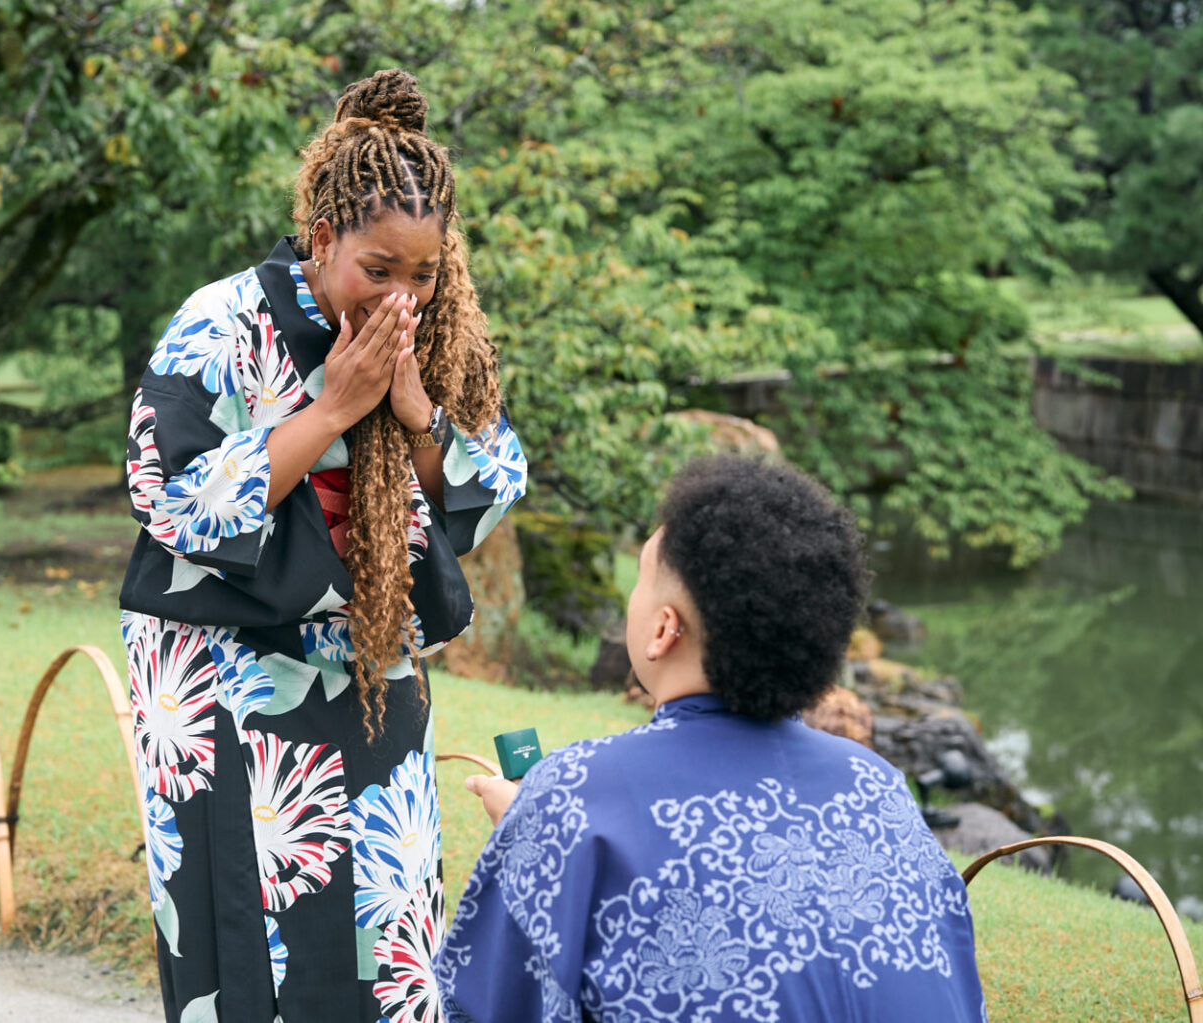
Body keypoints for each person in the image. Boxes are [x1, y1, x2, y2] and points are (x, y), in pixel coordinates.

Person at [117, 69, 526, 1022]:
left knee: (387, 912)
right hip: (225, 673)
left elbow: (489, 484)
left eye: (422, 273)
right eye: (377, 270)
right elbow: (166, 497)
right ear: (322, 237)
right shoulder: (221, 322)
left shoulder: (439, 336)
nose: (401, 294)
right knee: (251, 912)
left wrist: (419, 410)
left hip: (368, 663)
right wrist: (333, 405)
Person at [436, 456, 986, 1022]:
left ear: (663, 629)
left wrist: (539, 838)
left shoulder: (573, 795)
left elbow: (486, 1005)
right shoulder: (879, 787)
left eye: (643, 581)